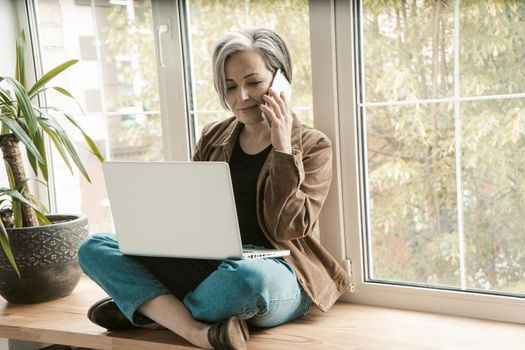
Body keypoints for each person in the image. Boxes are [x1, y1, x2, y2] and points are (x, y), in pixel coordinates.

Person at [78, 28, 351, 350]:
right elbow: (193, 211)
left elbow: (288, 227)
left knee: (246, 280)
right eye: (230, 86)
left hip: (278, 270)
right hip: (210, 265)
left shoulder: (313, 144)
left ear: (281, 80)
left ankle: (153, 311)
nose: (241, 98)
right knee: (94, 247)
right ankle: (198, 330)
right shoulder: (213, 136)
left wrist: (282, 148)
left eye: (254, 83)